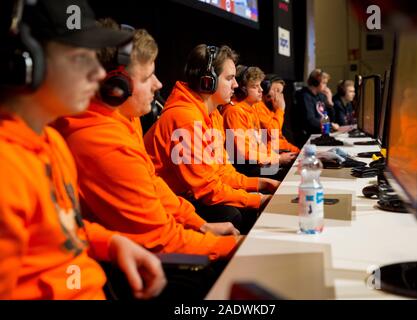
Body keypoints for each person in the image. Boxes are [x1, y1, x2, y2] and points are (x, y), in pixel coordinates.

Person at [0, 0, 165, 299]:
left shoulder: (52, 144)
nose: (99, 74)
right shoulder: (7, 169)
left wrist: (110, 242)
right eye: (79, 57)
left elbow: (61, 231)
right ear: (23, 62)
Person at [52, 21, 240, 260]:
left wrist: (200, 224)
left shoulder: (127, 118)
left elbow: (152, 182)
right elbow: (162, 239)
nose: (158, 84)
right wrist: (235, 246)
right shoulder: (105, 144)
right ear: (115, 88)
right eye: (147, 77)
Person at [143, 45, 276, 234]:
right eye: (229, 78)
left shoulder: (213, 115)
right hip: (168, 204)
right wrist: (258, 199)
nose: (236, 85)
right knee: (233, 213)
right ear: (208, 81)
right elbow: (207, 189)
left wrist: (261, 184)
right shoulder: (186, 119)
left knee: (243, 206)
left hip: (187, 195)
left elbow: (221, 171)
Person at [221, 65, 297, 180]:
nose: (261, 90)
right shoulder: (234, 111)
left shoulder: (252, 108)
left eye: (260, 85)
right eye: (255, 86)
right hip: (245, 169)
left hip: (256, 163)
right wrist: (278, 159)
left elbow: (260, 145)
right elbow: (244, 154)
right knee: (291, 176)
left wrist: (275, 157)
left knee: (296, 169)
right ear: (242, 89)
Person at [291, 69, 339, 147]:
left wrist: (330, 103)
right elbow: (310, 121)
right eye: (324, 83)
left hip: (321, 134)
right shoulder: (304, 96)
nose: (326, 86)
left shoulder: (321, 96)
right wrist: (329, 125)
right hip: (308, 137)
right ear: (315, 83)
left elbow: (331, 118)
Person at [256, 73, 300, 153]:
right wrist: (280, 110)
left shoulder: (271, 109)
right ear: (265, 87)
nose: (278, 95)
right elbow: (273, 134)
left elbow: (280, 139)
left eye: (280, 92)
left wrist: (296, 151)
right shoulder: (258, 106)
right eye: (276, 90)